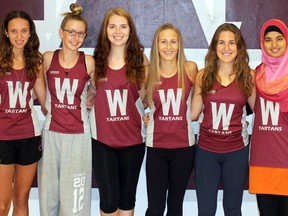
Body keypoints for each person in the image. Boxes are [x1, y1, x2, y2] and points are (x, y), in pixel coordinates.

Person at [89, 7, 149, 216]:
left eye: (123, 26)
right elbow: (87, 97)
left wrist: (149, 114)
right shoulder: (94, 63)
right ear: (105, 30)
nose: (118, 31)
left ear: (130, 31)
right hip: (102, 140)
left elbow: (147, 99)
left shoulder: (141, 62)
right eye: (112, 26)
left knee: (126, 198)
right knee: (108, 199)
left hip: (133, 140)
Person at [191, 23, 255, 216]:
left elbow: (260, 110)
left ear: (239, 47)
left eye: (231, 43)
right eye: (221, 43)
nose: (226, 48)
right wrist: (155, 115)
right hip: (206, 151)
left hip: (236, 151)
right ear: (214, 46)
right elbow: (192, 114)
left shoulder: (248, 76)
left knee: (233, 208)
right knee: (206, 209)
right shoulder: (203, 76)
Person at [37, 3, 95, 216]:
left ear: (85, 36)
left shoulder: (88, 62)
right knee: (48, 197)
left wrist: (89, 99)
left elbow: (97, 91)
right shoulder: (48, 58)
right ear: (61, 32)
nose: (75, 37)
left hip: (78, 136)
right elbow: (39, 89)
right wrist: (46, 107)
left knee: (75, 202)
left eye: (80, 33)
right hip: (52, 134)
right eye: (70, 32)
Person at [144, 23, 198, 216]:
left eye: (173, 42)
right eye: (163, 42)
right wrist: (144, 116)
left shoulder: (190, 69)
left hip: (183, 148)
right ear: (156, 45)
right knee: (155, 208)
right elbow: (138, 103)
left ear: (180, 44)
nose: (168, 47)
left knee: (175, 207)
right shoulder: (148, 72)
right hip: (156, 148)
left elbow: (197, 109)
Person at [0, 10, 46, 216]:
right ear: (6, 33)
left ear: (30, 33)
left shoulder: (36, 62)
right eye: (14, 31)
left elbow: (45, 102)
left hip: (29, 135)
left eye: (24, 31)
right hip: (3, 137)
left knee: (21, 199)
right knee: (1, 204)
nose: (19, 36)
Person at [249, 19, 288, 216]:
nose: (274, 45)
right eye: (268, 40)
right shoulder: (256, 75)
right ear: (262, 44)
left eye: (279, 39)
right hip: (262, 160)